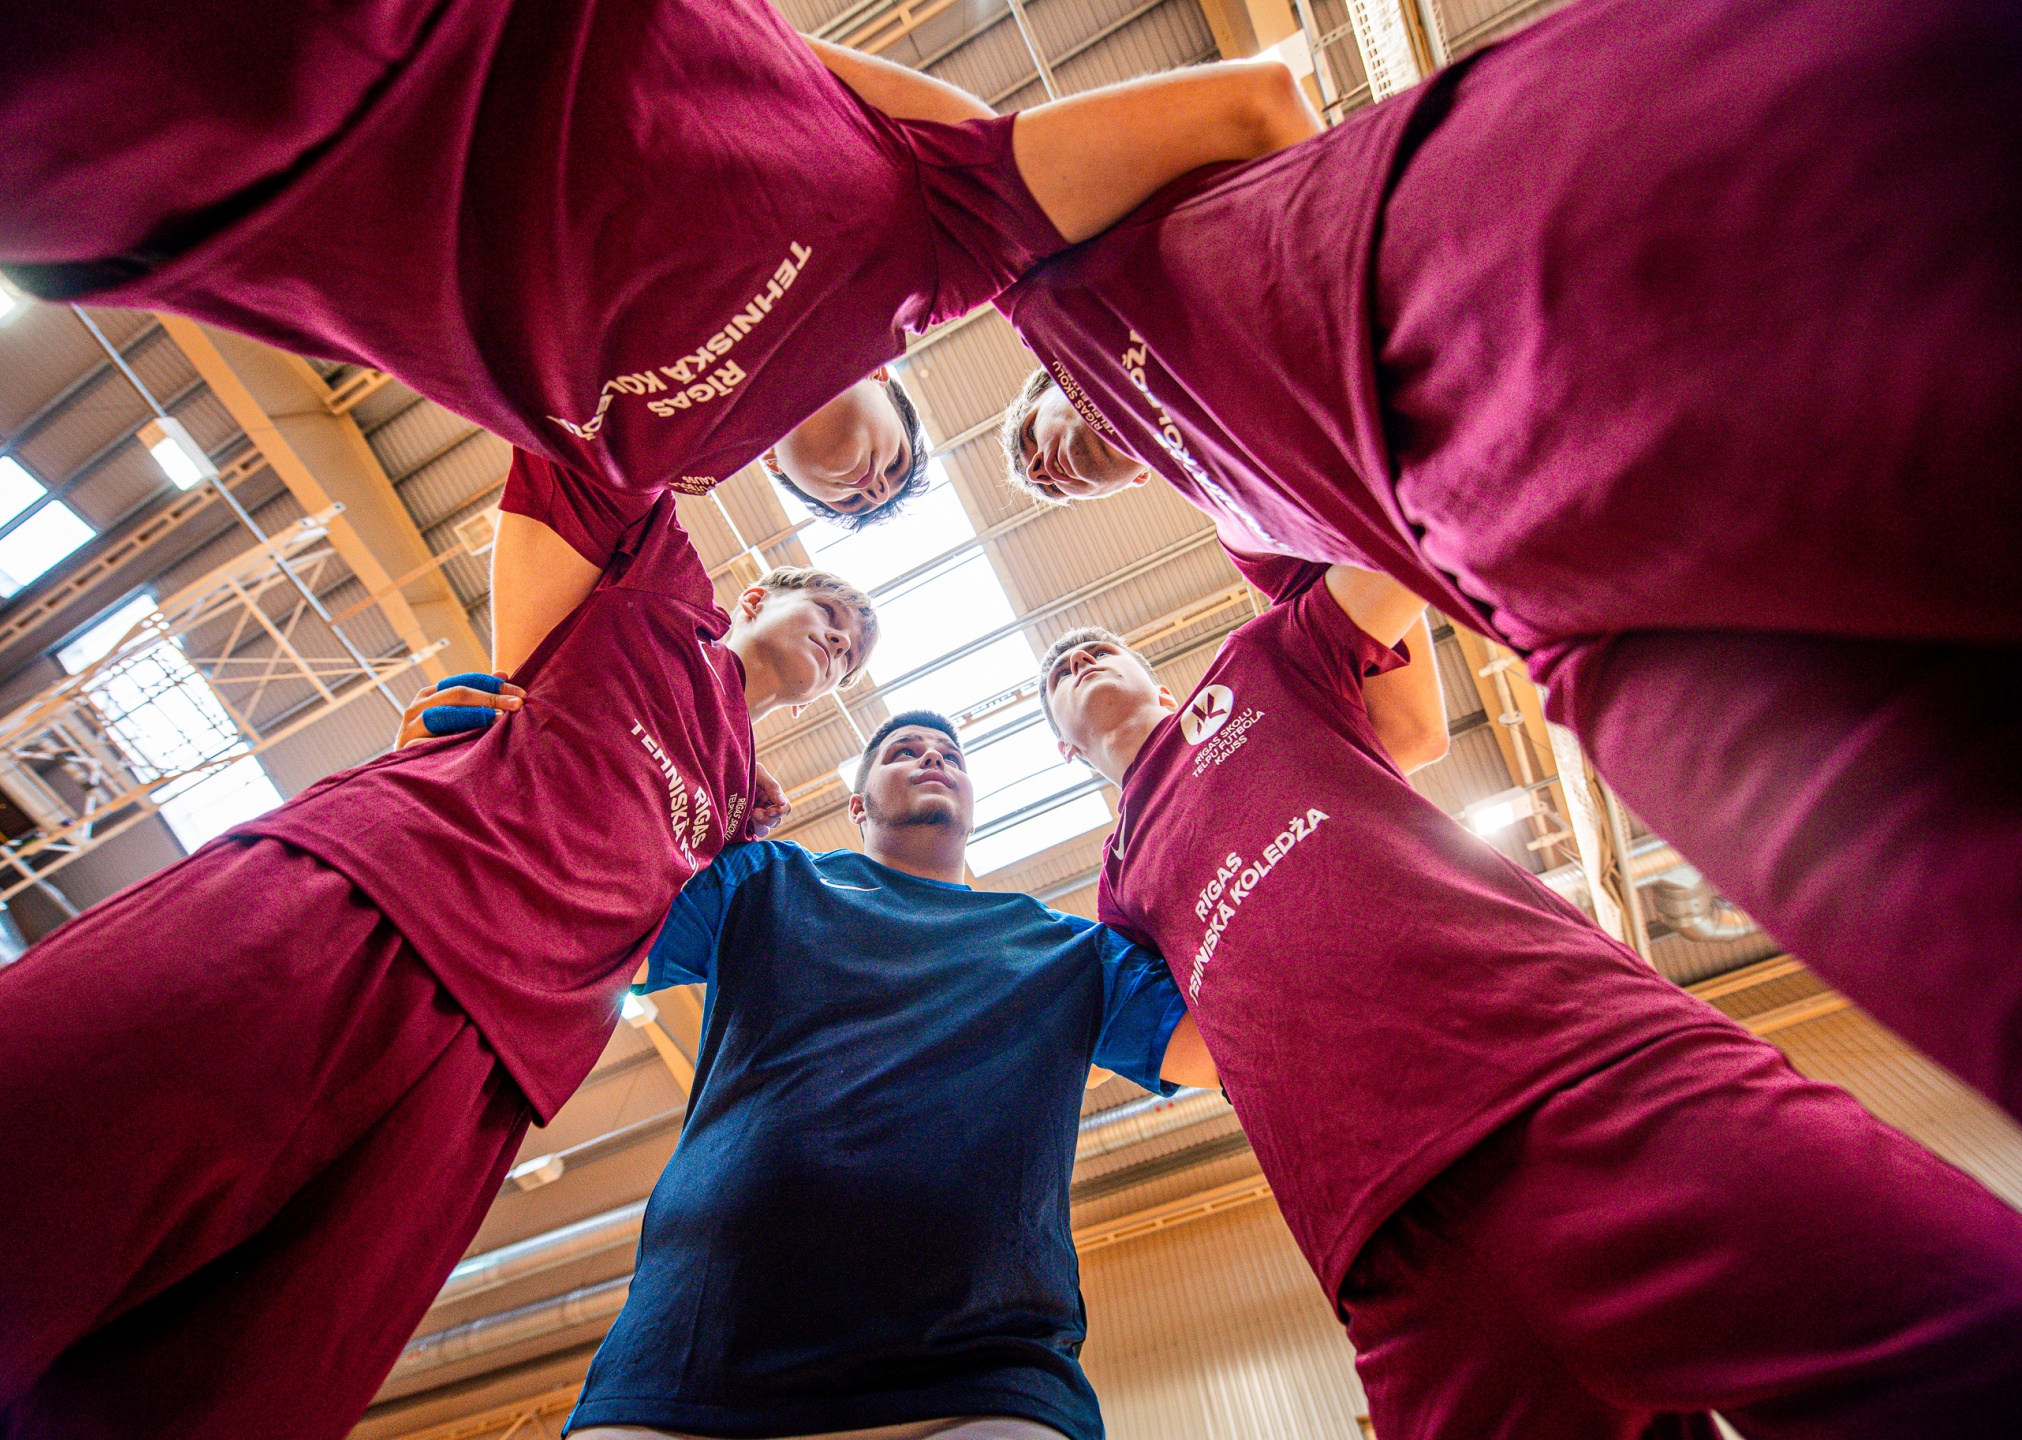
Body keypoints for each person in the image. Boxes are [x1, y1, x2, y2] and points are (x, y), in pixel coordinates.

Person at [955, 0, 2022, 1122]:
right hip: (1557, 573)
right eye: (1053, 486)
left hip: (1505, 289)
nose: (1052, 469)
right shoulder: (1252, 529)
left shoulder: (1105, 301)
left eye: (1039, 436)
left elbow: (1262, 109)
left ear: (1058, 380)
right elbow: (1409, 722)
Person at [0, 448, 876, 1440]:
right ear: (753, 596)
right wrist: (823, 414)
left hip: (491, 1067)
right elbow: (600, 427)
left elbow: (686, 955)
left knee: (244, 1384)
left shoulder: (744, 817)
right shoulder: (660, 600)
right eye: (830, 612)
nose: (841, 640)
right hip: (371, 892)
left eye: (853, 652)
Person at [1039, 560, 2022, 1438]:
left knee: (1973, 1342)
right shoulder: (1120, 894)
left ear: (1159, 677)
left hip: (1590, 1075)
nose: (1072, 656)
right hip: (1399, 1251)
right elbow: (1198, 1050)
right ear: (1062, 752)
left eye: (1094, 644)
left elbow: (1396, 627)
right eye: (1054, 676)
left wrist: (1200, 458)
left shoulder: (1254, 668)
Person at [0, 0, 1312, 526]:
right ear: (906, 390)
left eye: (857, 507)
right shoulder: (945, 237)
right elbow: (1250, 109)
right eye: (899, 473)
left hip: (118, 175)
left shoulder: (646, 467)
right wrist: (1121, 396)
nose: (874, 485)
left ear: (780, 493)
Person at [560, 711, 1217, 1440]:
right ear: (857, 805)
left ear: (973, 805)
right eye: (905, 751)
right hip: (684, 1365)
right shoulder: (766, 881)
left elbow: (1223, 1049)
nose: (934, 760)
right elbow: (584, 921)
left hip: (980, 1379)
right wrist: (499, 759)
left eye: (951, 757)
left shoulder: (1069, 951)